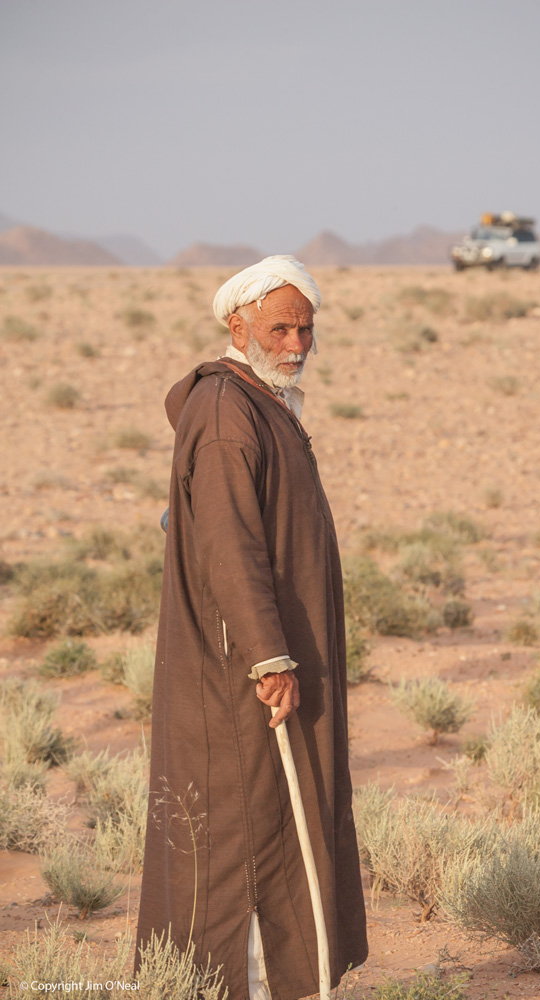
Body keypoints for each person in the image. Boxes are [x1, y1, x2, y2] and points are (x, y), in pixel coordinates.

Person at [135, 256, 368, 999]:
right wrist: (270, 659)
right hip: (241, 672)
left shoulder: (262, 402)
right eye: (280, 327)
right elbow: (229, 542)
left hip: (269, 658)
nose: (296, 341)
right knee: (251, 829)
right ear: (238, 327)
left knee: (277, 816)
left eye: (307, 328)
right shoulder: (227, 413)